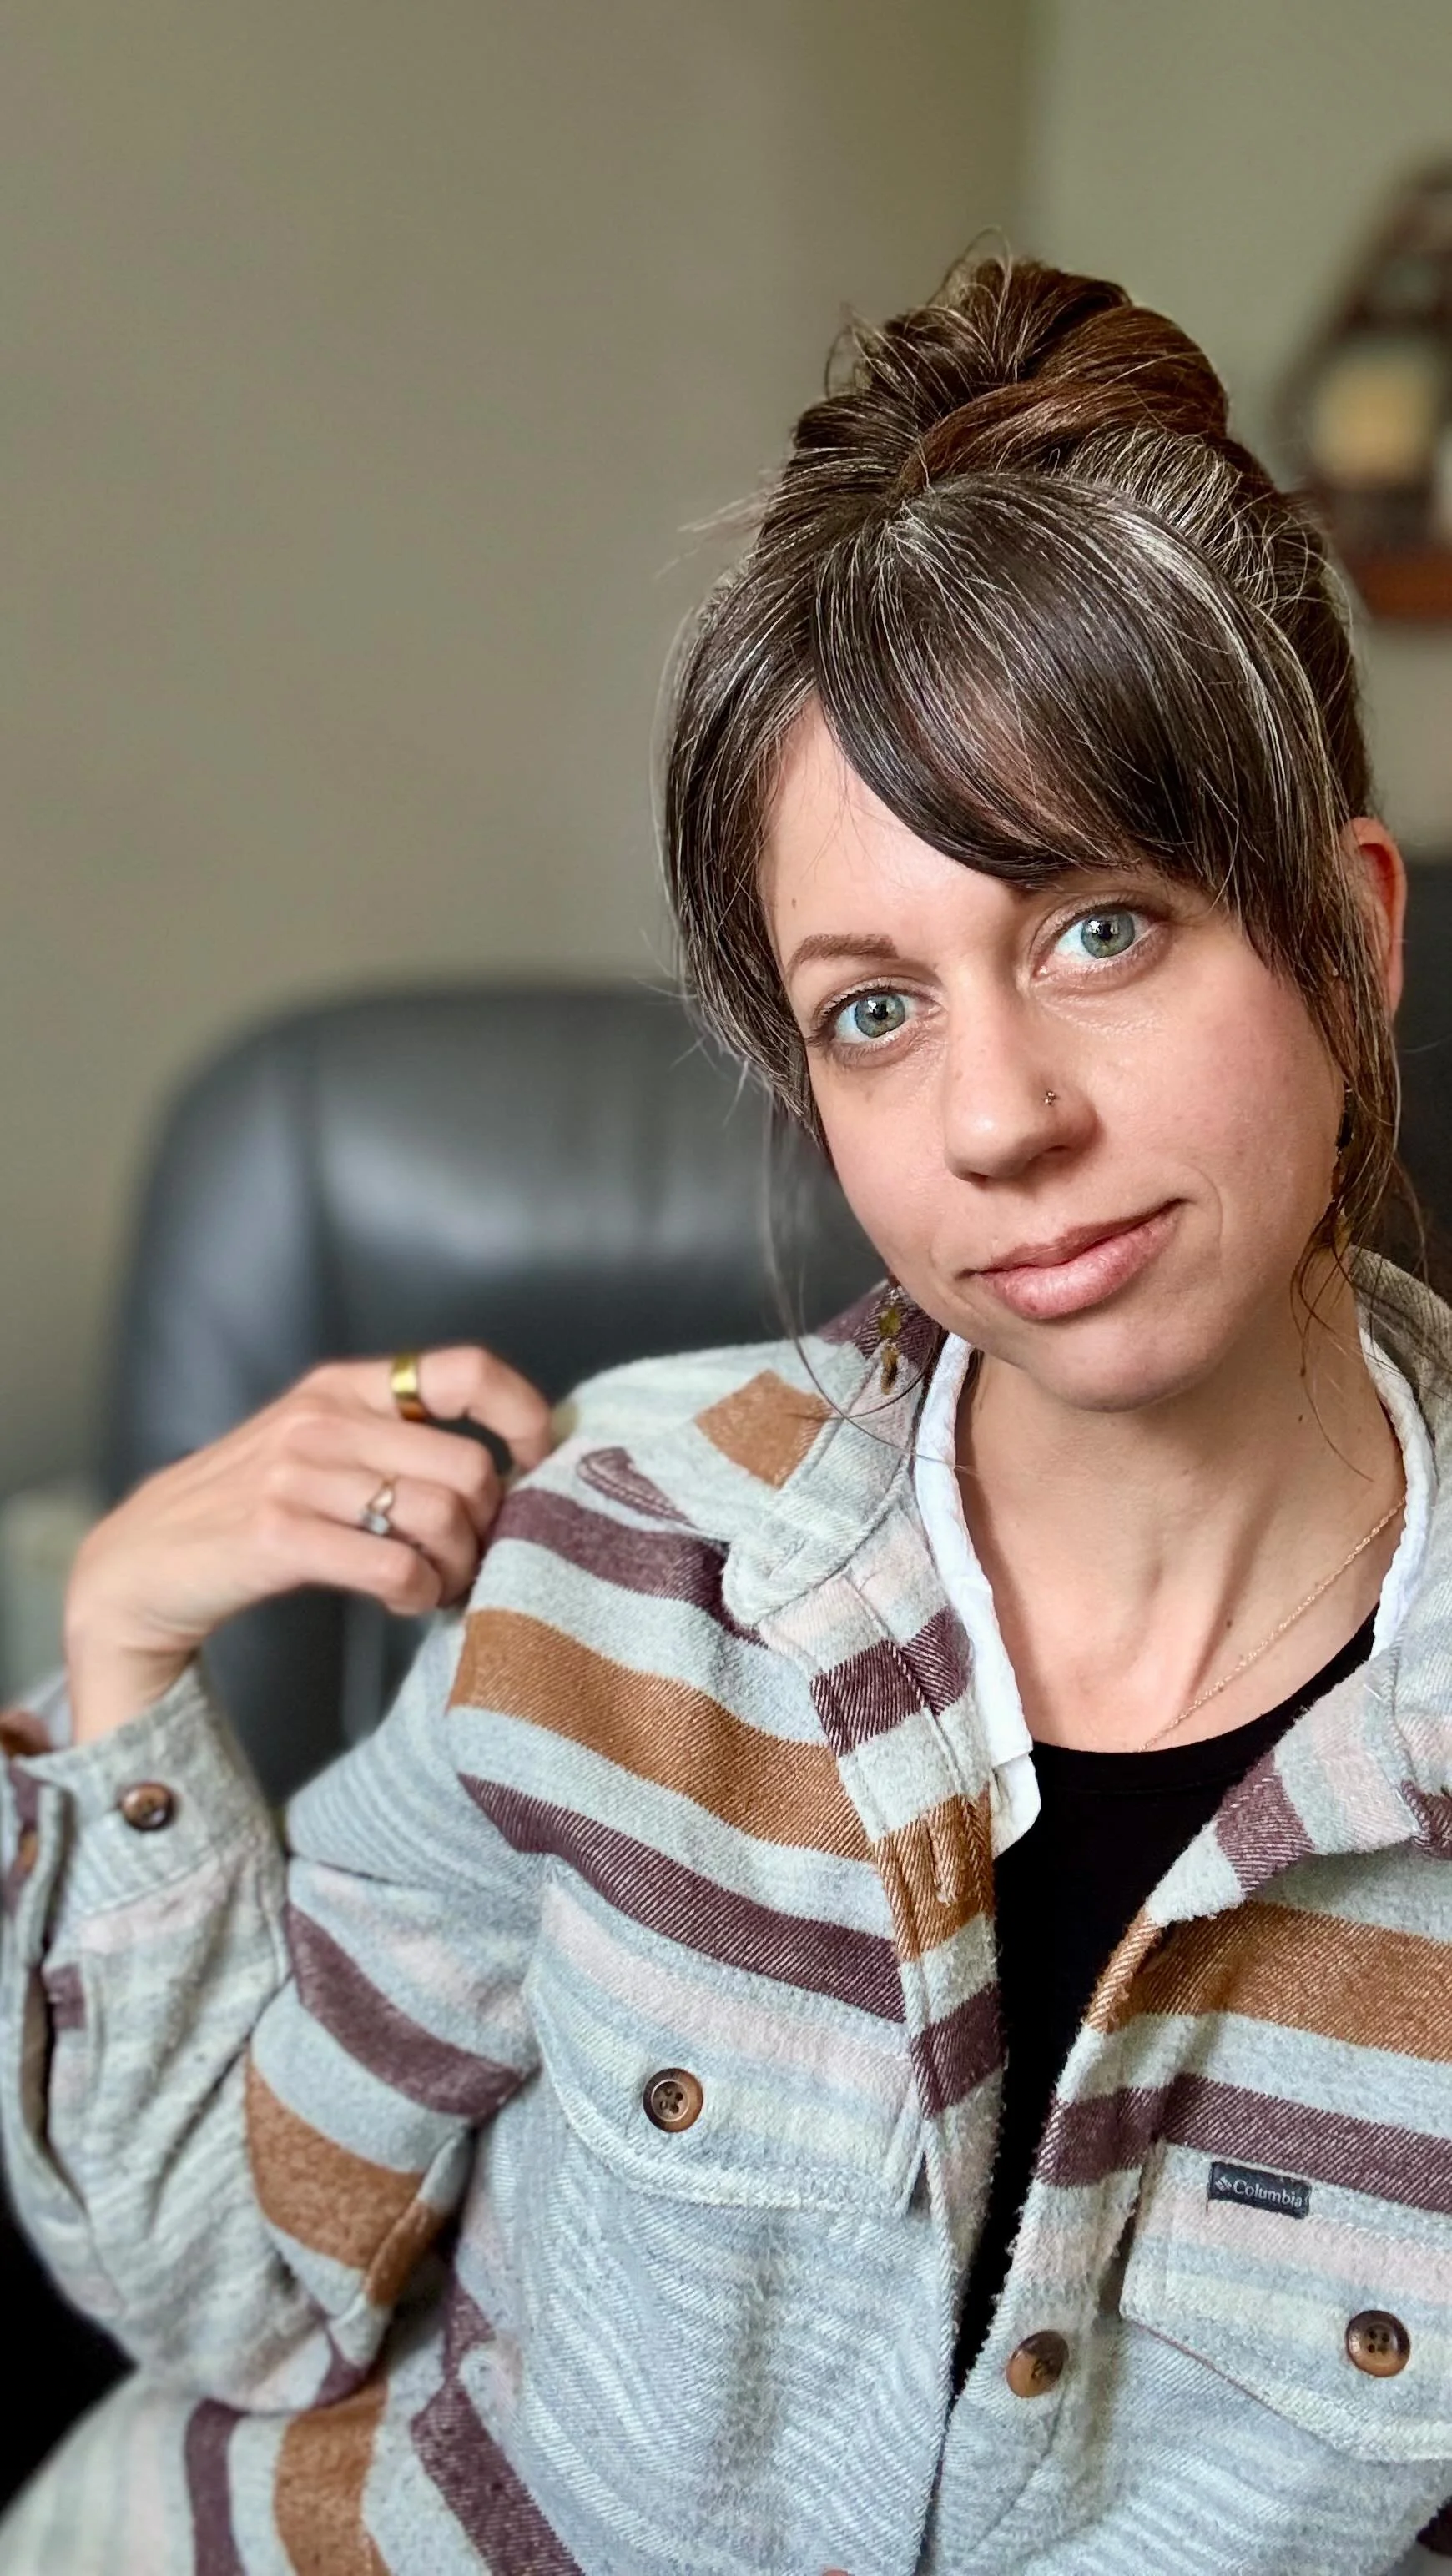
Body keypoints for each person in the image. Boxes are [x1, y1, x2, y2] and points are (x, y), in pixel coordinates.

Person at [2, 251, 1449, 2576]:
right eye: (874, 1007)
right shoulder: (627, 1547)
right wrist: (121, 1652)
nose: (996, 1119)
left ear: (1349, 938)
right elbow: (228, 2284)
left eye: (1098, 925)